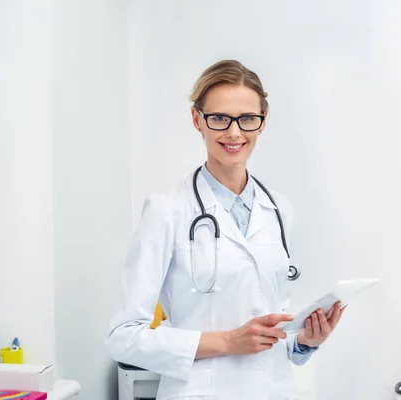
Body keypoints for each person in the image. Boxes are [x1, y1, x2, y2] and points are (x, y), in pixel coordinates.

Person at [106, 59, 345, 399]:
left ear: (262, 123)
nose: (234, 133)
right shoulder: (167, 211)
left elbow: (270, 328)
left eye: (247, 119)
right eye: (219, 118)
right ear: (197, 120)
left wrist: (305, 341)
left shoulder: (279, 210)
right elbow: (123, 336)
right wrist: (228, 341)